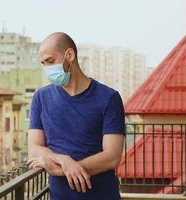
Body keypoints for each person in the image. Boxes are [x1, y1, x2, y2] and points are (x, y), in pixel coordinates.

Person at [27, 32, 125, 200]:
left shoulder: (109, 98)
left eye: (50, 61)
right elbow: (34, 149)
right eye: (43, 64)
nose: (47, 69)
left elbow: (112, 157)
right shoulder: (40, 98)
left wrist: (60, 170)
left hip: (103, 195)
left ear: (69, 55)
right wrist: (64, 160)